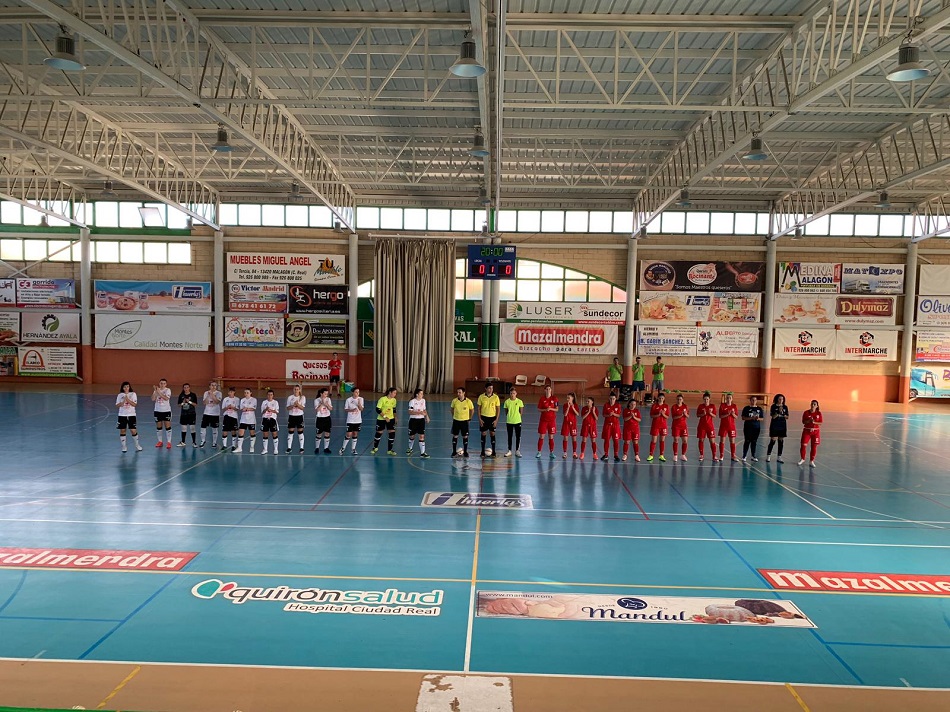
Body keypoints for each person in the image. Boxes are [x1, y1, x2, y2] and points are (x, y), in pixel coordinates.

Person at [116, 381, 143, 453]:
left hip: (131, 415)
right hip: (122, 415)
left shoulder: (133, 394)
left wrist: (127, 400)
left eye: (127, 386)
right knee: (122, 430)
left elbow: (134, 404)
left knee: (133, 430)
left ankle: (137, 445)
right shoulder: (120, 395)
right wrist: (122, 402)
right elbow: (117, 405)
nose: (126, 388)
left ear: (129, 387)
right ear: (122, 388)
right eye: (124, 387)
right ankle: (124, 446)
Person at [372, 387, 398, 455]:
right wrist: (385, 417)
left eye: (396, 393)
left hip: (391, 419)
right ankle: (375, 448)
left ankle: (390, 450)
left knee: (392, 434)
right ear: (390, 392)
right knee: (379, 433)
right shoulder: (382, 399)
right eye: (394, 393)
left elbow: (394, 409)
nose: (395, 394)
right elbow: (378, 409)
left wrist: (395, 417)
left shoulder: (394, 400)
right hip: (381, 419)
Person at [477, 383, 501, 458]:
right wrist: (480, 419)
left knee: (492, 433)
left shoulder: (496, 397)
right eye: (489, 388)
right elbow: (478, 408)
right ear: (486, 388)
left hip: (492, 418)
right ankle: (482, 452)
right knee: (483, 433)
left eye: (492, 388)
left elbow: (498, 409)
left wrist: (496, 420)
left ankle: (494, 452)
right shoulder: (481, 397)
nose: (491, 390)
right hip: (484, 418)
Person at [450, 387, 475, 457]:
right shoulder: (454, 401)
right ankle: (454, 452)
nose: (458, 394)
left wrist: (469, 418)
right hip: (456, 421)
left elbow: (472, 410)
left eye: (460, 392)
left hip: (464, 422)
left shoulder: (468, 401)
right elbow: (452, 409)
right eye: (457, 392)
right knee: (455, 436)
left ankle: (465, 452)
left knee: (465, 436)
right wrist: (454, 416)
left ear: (464, 393)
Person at [339, 387, 364, 455]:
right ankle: (343, 448)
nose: (357, 393)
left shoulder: (361, 399)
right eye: (356, 392)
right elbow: (346, 409)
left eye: (358, 392)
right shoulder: (348, 400)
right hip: (350, 420)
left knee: (355, 434)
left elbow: (361, 409)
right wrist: (351, 410)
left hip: (358, 420)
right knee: (348, 434)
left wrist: (359, 404)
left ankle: (353, 449)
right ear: (353, 392)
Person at [536, 385, 559, 459]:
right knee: (541, 436)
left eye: (549, 389)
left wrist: (550, 408)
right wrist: (545, 410)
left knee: (551, 437)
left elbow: (557, 409)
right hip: (543, 420)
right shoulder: (542, 399)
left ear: (551, 390)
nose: (548, 390)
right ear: (545, 390)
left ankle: (551, 452)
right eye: (547, 389)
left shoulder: (555, 399)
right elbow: (539, 409)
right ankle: (539, 452)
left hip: (551, 421)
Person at [232, 387, 258, 453]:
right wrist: (244, 409)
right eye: (245, 393)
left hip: (251, 419)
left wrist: (247, 409)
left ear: (250, 393)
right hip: (243, 419)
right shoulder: (242, 400)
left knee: (252, 433)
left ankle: (252, 447)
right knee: (240, 433)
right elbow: (241, 408)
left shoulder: (254, 400)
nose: (246, 394)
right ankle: (239, 448)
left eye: (247, 393)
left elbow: (254, 408)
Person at [407, 388, 431, 458]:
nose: (422, 395)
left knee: (421, 436)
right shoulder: (412, 401)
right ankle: (410, 448)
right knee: (412, 436)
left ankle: (422, 453)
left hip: (421, 420)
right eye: (421, 393)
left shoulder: (423, 401)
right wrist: (419, 412)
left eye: (422, 393)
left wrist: (427, 416)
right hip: (413, 420)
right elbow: (410, 412)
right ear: (417, 394)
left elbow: (424, 410)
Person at [766, 394, 789, 463]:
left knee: (781, 441)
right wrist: (778, 411)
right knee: (773, 440)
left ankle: (779, 456)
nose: (781, 400)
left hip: (782, 425)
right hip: (775, 425)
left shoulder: (785, 407)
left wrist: (784, 415)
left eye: (782, 399)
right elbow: (773, 417)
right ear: (777, 399)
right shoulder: (773, 406)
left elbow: (787, 417)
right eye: (779, 399)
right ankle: (768, 456)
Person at [799, 400, 823, 467]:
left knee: (814, 446)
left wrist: (814, 422)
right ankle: (802, 459)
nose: (813, 405)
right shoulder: (806, 412)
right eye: (812, 404)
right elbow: (803, 422)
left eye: (814, 404)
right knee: (803, 445)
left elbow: (820, 423)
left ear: (817, 406)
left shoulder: (819, 413)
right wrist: (809, 421)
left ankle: (811, 461)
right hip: (807, 431)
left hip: (815, 432)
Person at [199, 380, 222, 449]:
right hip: (207, 412)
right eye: (212, 385)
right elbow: (204, 402)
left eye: (215, 385)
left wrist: (212, 394)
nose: (214, 387)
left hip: (215, 413)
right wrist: (208, 395)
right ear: (209, 386)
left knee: (214, 428)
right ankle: (203, 441)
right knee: (203, 427)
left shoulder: (219, 393)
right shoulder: (206, 393)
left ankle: (214, 442)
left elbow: (217, 401)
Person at [741, 395, 765, 462]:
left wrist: (757, 418)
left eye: (755, 400)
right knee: (747, 441)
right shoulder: (746, 408)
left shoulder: (759, 409)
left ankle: (753, 456)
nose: (754, 401)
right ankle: (744, 456)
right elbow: (743, 417)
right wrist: (751, 418)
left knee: (754, 441)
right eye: (752, 400)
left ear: (756, 401)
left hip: (756, 427)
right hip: (748, 427)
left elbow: (762, 418)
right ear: (750, 400)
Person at [647, 392, 669, 462]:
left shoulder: (666, 406)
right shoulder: (654, 406)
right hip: (655, 425)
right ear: (658, 398)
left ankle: (661, 455)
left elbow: (667, 416)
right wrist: (658, 414)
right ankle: (651, 455)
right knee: (654, 440)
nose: (661, 399)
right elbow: (651, 416)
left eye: (662, 398)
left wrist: (663, 414)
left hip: (663, 426)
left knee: (662, 440)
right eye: (660, 398)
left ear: (664, 399)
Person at [151, 377, 173, 449]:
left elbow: (166, 398)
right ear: (159, 384)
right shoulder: (156, 390)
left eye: (164, 383)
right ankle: (160, 441)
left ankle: (169, 442)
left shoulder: (168, 390)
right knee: (159, 427)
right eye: (161, 383)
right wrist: (155, 391)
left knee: (167, 426)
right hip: (157, 411)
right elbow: (153, 399)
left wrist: (159, 392)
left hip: (166, 411)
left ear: (166, 384)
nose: (162, 385)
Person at [696, 391, 717, 462]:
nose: (706, 400)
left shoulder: (712, 406)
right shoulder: (700, 406)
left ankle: (714, 456)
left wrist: (710, 413)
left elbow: (715, 415)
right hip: (701, 426)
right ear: (703, 399)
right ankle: (701, 455)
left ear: (709, 399)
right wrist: (703, 414)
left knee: (712, 441)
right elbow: (697, 415)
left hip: (710, 426)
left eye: (707, 399)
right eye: (705, 399)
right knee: (701, 440)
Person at [601, 392, 622, 462]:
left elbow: (619, 415)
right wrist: (608, 415)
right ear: (609, 398)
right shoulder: (606, 405)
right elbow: (603, 415)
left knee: (616, 440)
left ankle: (616, 455)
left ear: (615, 399)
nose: (612, 400)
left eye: (613, 399)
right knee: (606, 440)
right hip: (607, 425)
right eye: (610, 399)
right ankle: (606, 454)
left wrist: (613, 414)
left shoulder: (618, 405)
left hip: (615, 425)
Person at [718, 393, 739, 463]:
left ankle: (733, 456)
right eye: (727, 398)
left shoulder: (734, 406)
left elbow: (736, 417)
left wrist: (733, 414)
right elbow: (720, 416)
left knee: (732, 441)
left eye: (730, 398)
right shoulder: (722, 405)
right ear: (725, 399)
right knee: (722, 441)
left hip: (731, 427)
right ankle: (721, 455)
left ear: (732, 399)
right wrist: (728, 414)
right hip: (723, 426)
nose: (728, 399)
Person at [285, 384, 306, 454]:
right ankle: (289, 448)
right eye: (295, 389)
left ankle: (301, 448)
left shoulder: (302, 397)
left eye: (297, 389)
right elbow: (287, 408)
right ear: (293, 390)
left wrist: (297, 405)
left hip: (299, 416)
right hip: (292, 416)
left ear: (299, 390)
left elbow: (302, 408)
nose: (296, 390)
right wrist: (293, 405)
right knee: (290, 432)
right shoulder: (290, 397)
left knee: (300, 432)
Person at [503, 388, 524, 457]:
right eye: (511, 393)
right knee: (509, 436)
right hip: (509, 421)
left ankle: (517, 451)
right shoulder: (507, 402)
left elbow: (521, 411)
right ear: (510, 394)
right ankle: (509, 450)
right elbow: (506, 411)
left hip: (517, 421)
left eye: (514, 393)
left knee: (518, 436)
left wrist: (517, 417)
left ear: (516, 394)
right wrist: (510, 417)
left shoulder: (520, 401)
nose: (512, 395)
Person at [177, 383, 199, 447]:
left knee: (192, 428)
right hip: (184, 414)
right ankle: (183, 442)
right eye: (185, 387)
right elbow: (179, 405)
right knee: (184, 428)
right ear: (183, 388)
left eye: (187, 387)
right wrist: (183, 403)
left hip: (191, 413)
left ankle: (194, 442)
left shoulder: (193, 395)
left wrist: (189, 402)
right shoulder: (181, 395)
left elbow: (195, 404)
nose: (186, 389)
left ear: (189, 388)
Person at [313, 387, 333, 454]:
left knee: (327, 433)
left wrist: (327, 404)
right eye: (325, 394)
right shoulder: (316, 400)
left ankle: (326, 448)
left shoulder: (328, 399)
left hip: (327, 418)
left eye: (327, 394)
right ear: (321, 394)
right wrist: (322, 404)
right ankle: (317, 448)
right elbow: (317, 410)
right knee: (319, 434)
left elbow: (331, 409)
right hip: (320, 418)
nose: (326, 395)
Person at [260, 389, 280, 455]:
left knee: (274, 434)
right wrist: (266, 409)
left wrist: (271, 410)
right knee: (265, 434)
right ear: (267, 395)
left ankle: (276, 449)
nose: (269, 396)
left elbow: (277, 412)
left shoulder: (275, 402)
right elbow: (262, 412)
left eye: (271, 395)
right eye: (268, 395)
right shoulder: (264, 402)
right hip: (265, 419)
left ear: (273, 395)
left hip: (272, 419)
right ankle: (265, 449)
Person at [671, 393, 689, 462]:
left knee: (685, 440)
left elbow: (688, 416)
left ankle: (683, 455)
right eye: (678, 399)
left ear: (682, 400)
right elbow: (673, 417)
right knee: (676, 439)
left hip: (683, 426)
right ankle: (675, 455)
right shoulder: (674, 407)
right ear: (676, 400)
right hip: (676, 426)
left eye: (680, 399)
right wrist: (681, 415)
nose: (679, 401)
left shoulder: (685, 407)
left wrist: (686, 414)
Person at [561, 392, 580, 459]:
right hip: (566, 423)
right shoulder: (565, 405)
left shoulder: (576, 405)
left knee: (574, 438)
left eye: (569, 398)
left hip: (573, 424)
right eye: (567, 398)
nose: (567, 399)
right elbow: (565, 414)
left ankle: (574, 452)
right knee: (565, 438)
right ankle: (565, 453)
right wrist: (568, 407)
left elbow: (577, 414)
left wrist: (573, 408)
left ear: (572, 398)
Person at [621, 398, 641, 462]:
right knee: (627, 442)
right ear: (629, 404)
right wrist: (630, 416)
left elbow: (639, 419)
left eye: (634, 404)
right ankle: (625, 455)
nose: (633, 405)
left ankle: (636, 455)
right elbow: (625, 419)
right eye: (632, 404)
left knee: (635, 442)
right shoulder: (625, 410)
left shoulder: (637, 411)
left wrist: (634, 417)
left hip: (635, 429)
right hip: (627, 429)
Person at [221, 386, 239, 451]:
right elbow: (223, 408)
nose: (230, 393)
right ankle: (224, 445)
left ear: (234, 392)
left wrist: (232, 407)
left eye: (232, 392)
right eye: (229, 392)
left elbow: (237, 408)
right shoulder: (225, 399)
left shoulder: (237, 399)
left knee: (233, 431)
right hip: (226, 416)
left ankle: (233, 446)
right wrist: (227, 407)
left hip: (233, 417)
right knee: (225, 431)